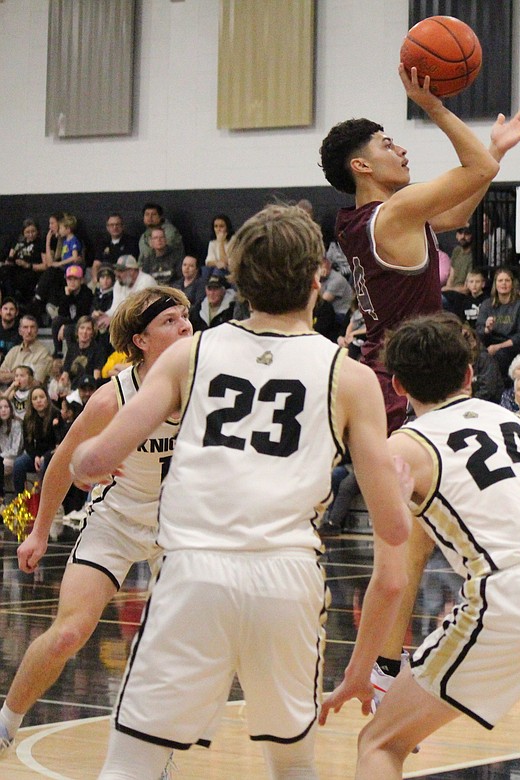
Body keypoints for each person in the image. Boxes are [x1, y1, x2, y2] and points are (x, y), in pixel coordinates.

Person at [70, 204, 412, 780]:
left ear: (238, 279)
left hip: (193, 574)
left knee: (132, 763)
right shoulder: (349, 375)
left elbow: (94, 460)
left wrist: (85, 459)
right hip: (287, 580)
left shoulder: (187, 354)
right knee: (292, 764)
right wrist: (397, 488)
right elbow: (395, 529)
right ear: (315, 280)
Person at [320, 312, 520, 779]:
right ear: (470, 375)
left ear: (398, 387)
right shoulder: (513, 420)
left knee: (380, 742)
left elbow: (392, 580)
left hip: (511, 594)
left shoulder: (402, 449)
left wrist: (359, 671)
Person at [0, 287, 193, 761]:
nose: (186, 326)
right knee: (69, 633)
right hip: (118, 521)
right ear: (141, 340)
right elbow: (63, 460)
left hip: (184, 529)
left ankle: (156, 758)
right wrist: (40, 530)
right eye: (170, 321)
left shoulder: (212, 384)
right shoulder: (114, 398)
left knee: (175, 644)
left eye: (187, 317)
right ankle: (6, 722)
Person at [321, 66, 520, 431]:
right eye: (387, 144)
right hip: (403, 380)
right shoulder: (397, 211)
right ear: (361, 165)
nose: (401, 149)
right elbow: (479, 168)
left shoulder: (355, 220)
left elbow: (456, 214)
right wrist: (432, 106)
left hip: (389, 372)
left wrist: (496, 150)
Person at [477, 266, 520, 375]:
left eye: (507, 280)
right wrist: (487, 329)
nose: (504, 283)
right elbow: (479, 330)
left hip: (511, 347)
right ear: (495, 284)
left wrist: (498, 346)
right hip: (490, 344)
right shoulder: (486, 305)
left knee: (500, 355)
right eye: (500, 280)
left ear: (512, 284)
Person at [0, 314, 53, 386]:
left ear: (37, 331)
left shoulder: (44, 353)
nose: (29, 331)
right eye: (25, 327)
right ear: (20, 331)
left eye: (32, 327)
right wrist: (22, 376)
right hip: (10, 394)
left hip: (31, 395)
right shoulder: (14, 351)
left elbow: (36, 382)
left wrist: (12, 374)